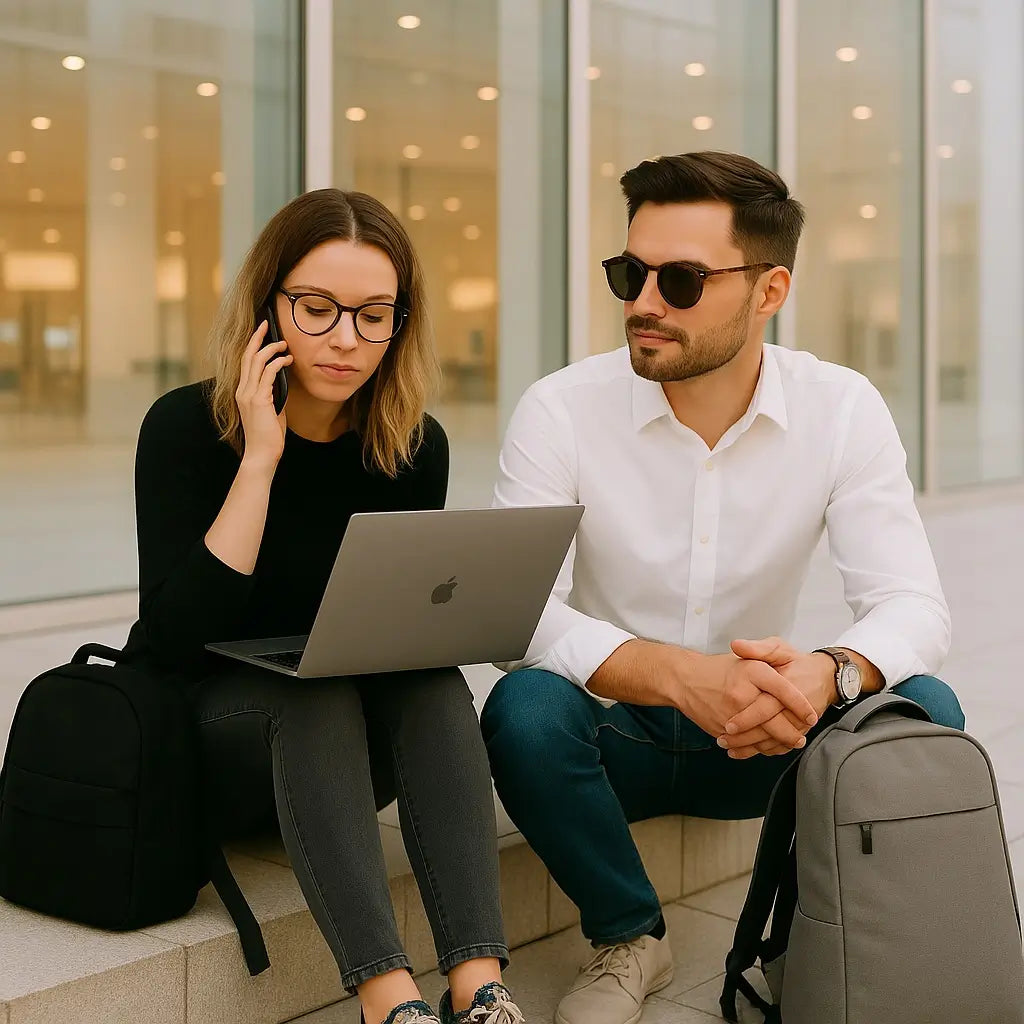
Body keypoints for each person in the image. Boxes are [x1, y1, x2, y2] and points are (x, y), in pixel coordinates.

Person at [480, 152, 964, 1024]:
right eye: (630, 273)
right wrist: (678, 675)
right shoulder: (561, 408)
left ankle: (800, 945)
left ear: (770, 290)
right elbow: (516, 617)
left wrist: (829, 673)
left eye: (681, 279)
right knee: (522, 711)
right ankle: (630, 934)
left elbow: (914, 607)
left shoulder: (842, 407)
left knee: (925, 707)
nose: (643, 303)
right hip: (613, 731)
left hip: (761, 741)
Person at [123, 189, 526, 1024]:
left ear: (400, 324)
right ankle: (389, 1003)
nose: (346, 339)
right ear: (268, 305)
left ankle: (479, 988)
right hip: (211, 742)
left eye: (374, 315)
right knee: (313, 697)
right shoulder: (183, 429)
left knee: (433, 683)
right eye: (317, 308)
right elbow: (170, 641)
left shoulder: (414, 446)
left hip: (345, 753)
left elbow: (400, 631)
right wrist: (260, 459)